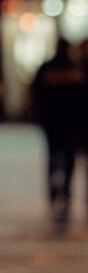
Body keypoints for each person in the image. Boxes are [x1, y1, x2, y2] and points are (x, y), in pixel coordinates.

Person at [32, 38, 85, 227]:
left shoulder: (47, 69)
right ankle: (64, 194)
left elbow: (36, 95)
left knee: (54, 158)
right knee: (68, 160)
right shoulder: (76, 70)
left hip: (53, 124)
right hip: (71, 125)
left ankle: (55, 194)